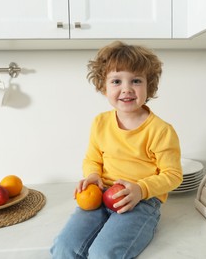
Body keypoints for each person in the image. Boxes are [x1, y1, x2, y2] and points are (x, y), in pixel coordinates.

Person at [50, 41, 183, 259]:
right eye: (116, 81)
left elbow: (173, 175)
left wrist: (140, 189)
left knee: (103, 253)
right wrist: (92, 174)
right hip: (100, 194)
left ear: (149, 85)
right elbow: (92, 158)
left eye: (136, 80)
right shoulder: (100, 122)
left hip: (140, 201)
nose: (127, 88)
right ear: (104, 86)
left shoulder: (161, 130)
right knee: (64, 248)